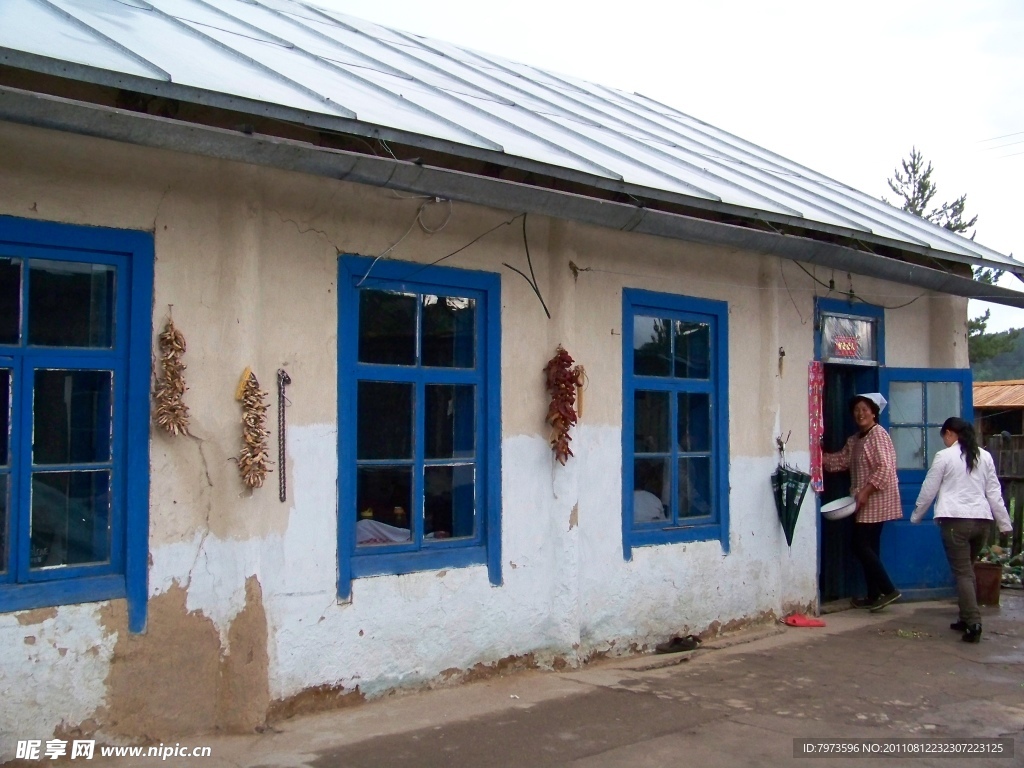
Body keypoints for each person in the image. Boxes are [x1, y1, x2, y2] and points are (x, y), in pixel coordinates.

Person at [910, 417, 1013, 643]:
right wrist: (1005, 524)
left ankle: (974, 622)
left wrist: (916, 516)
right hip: (982, 523)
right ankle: (964, 617)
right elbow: (994, 492)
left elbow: (929, 489)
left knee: (963, 573)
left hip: (955, 522)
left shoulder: (944, 457)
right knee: (967, 570)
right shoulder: (984, 456)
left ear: (949, 434)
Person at [822, 393, 902, 612]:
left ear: (874, 413)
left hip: (877, 499)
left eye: (865, 409)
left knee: (859, 545)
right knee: (870, 547)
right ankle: (874, 594)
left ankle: (888, 590)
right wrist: (817, 455)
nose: (860, 414)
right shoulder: (855, 439)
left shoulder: (879, 435)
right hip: (863, 500)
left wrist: (866, 490)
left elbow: (885, 467)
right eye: (857, 410)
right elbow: (840, 461)